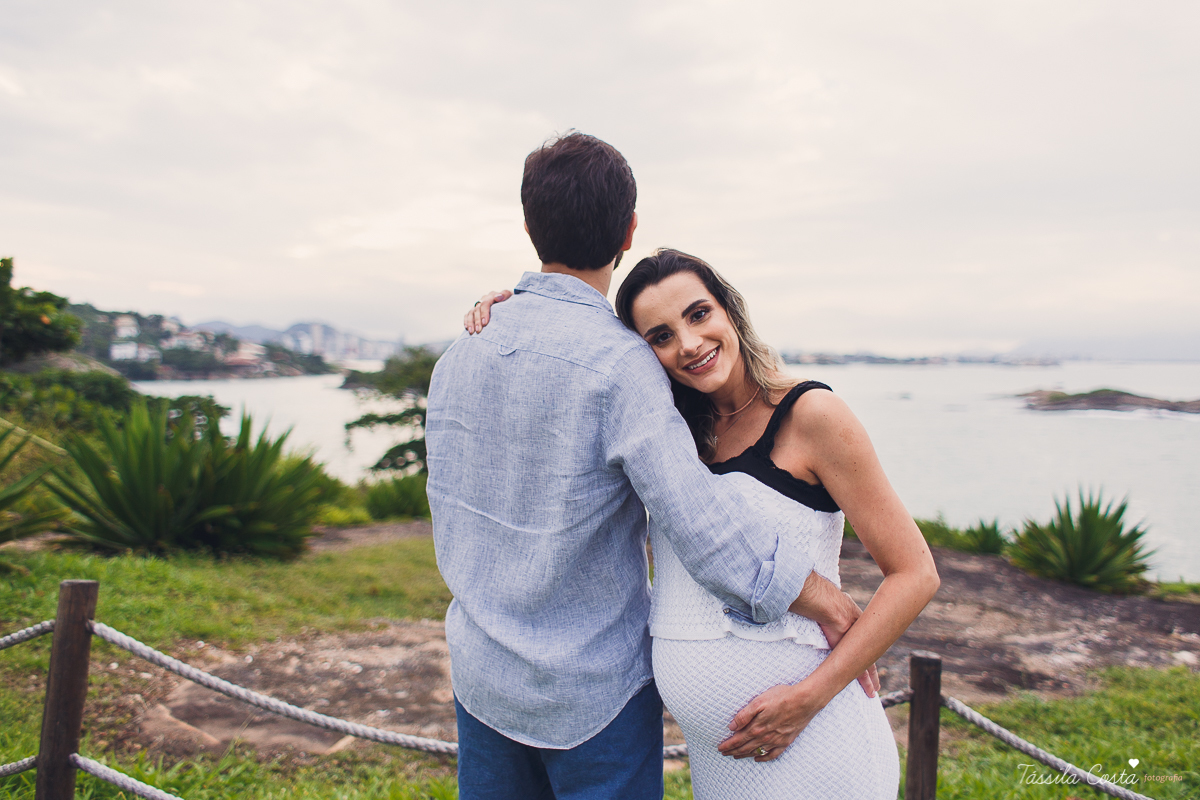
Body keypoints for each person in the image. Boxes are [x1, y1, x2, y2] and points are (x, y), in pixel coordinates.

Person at [426, 132, 875, 800]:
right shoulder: (621, 364)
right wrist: (826, 599)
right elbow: (704, 529)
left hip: (483, 680)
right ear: (629, 230)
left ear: (528, 226)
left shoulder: (461, 351)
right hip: (593, 701)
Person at [466, 248, 940, 798]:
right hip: (717, 762)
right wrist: (508, 309)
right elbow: (559, 384)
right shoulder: (668, 432)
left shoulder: (812, 416)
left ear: (729, 311)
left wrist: (810, 697)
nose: (689, 343)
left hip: (814, 738)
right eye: (660, 336)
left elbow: (915, 573)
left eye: (698, 314)